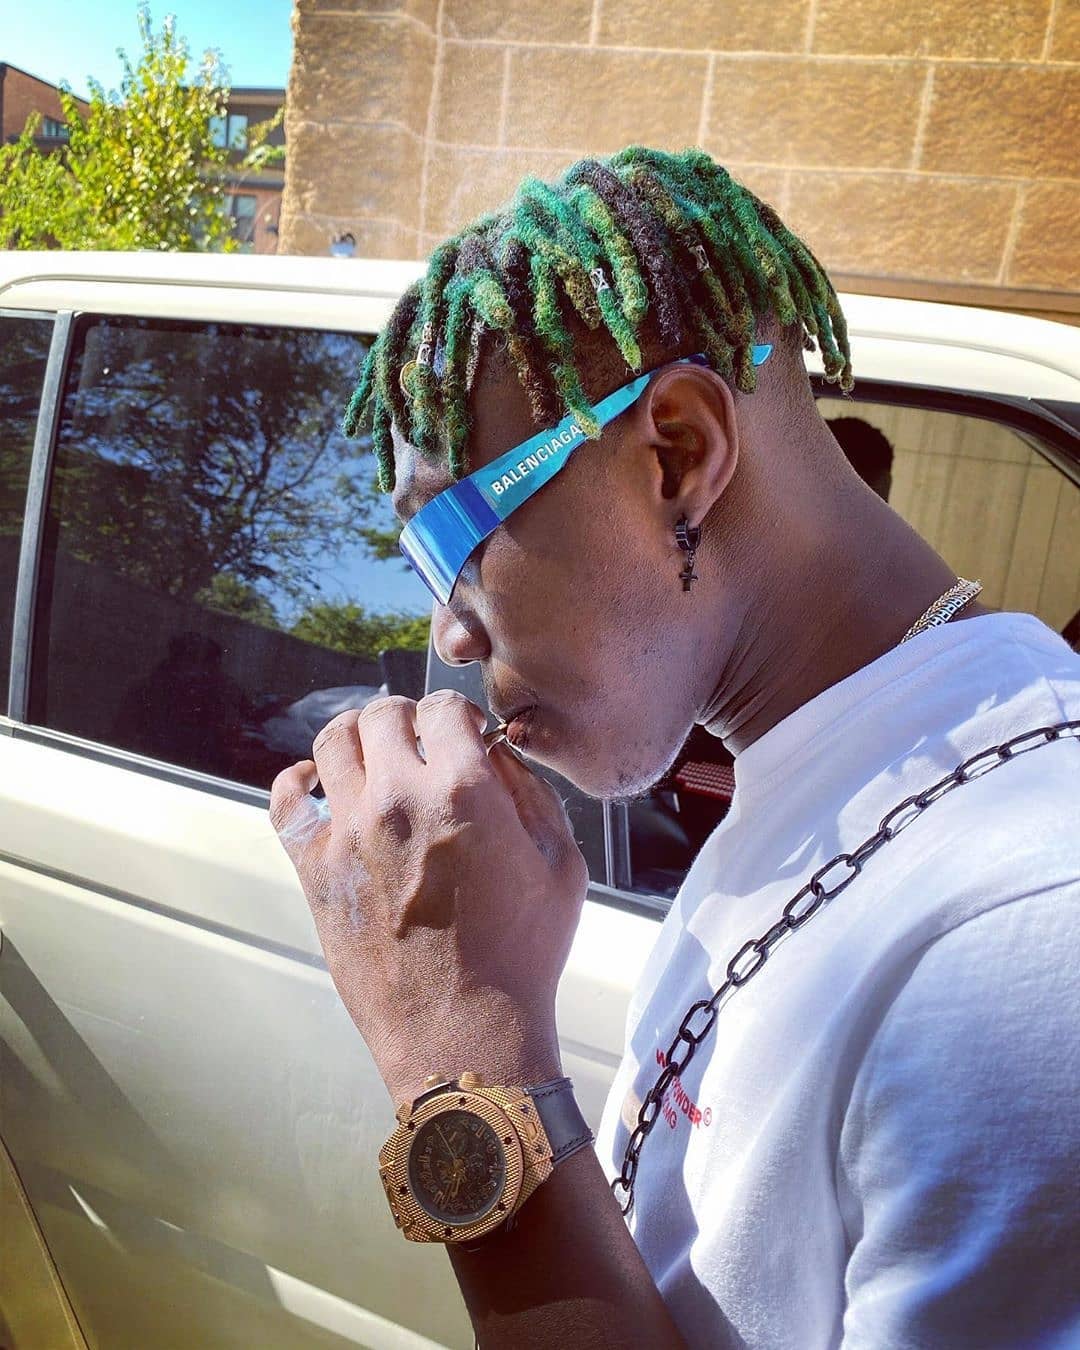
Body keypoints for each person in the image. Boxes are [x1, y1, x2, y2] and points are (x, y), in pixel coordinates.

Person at [269, 147, 1080, 1348]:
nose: (448, 632)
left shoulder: (1027, 937)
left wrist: (462, 1057)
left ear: (677, 456)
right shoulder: (822, 770)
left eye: (449, 539)